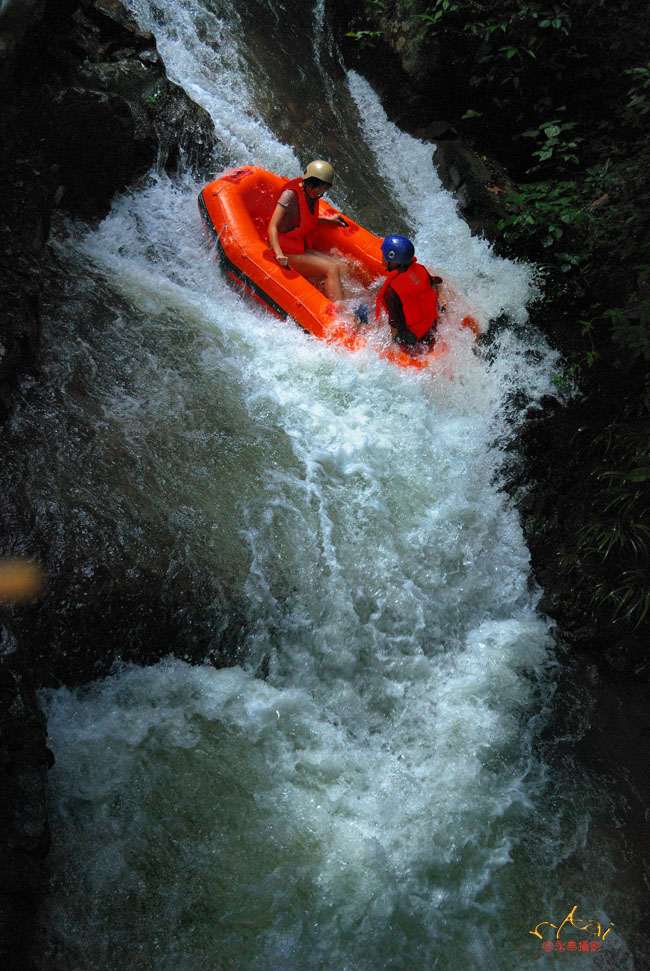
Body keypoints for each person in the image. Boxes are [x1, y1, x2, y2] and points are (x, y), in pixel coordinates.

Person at [267, 160, 350, 302]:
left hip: (296, 246)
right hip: (283, 250)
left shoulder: (311, 197)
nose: (321, 192)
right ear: (310, 182)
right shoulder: (290, 196)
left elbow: (306, 221)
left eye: (324, 188)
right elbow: (272, 227)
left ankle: (350, 306)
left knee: (343, 267)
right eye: (320, 187)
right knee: (332, 269)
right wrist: (279, 254)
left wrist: (328, 220)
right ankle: (341, 314)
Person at [375, 235, 443, 346]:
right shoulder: (421, 269)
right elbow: (435, 283)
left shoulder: (391, 291)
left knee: (361, 314)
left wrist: (392, 344)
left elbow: (394, 325)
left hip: (412, 337)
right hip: (431, 324)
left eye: (383, 255)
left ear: (392, 260)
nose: (382, 256)